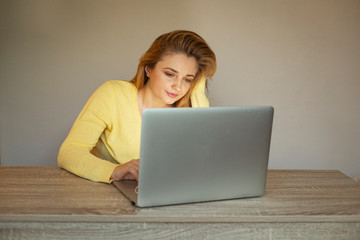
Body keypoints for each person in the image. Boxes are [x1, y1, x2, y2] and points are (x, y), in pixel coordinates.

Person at [58, 30, 217, 183]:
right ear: (148, 69)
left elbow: (203, 162)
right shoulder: (113, 94)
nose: (178, 86)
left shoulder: (187, 113)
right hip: (108, 193)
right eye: (170, 74)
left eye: (187, 79)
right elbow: (69, 152)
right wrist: (114, 170)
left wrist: (199, 85)